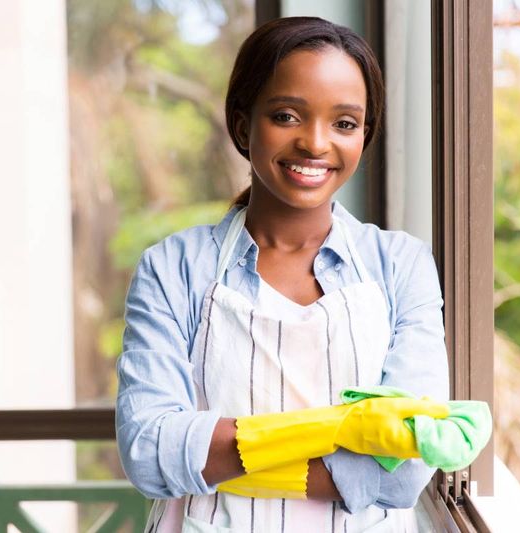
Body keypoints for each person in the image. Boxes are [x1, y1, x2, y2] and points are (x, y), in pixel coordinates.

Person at [116, 16, 449, 532]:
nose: (315, 143)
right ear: (244, 126)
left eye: (344, 123)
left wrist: (217, 461)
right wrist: (353, 429)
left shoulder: (400, 265)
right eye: (287, 115)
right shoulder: (173, 269)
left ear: (365, 135)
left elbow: (405, 470)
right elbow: (148, 449)